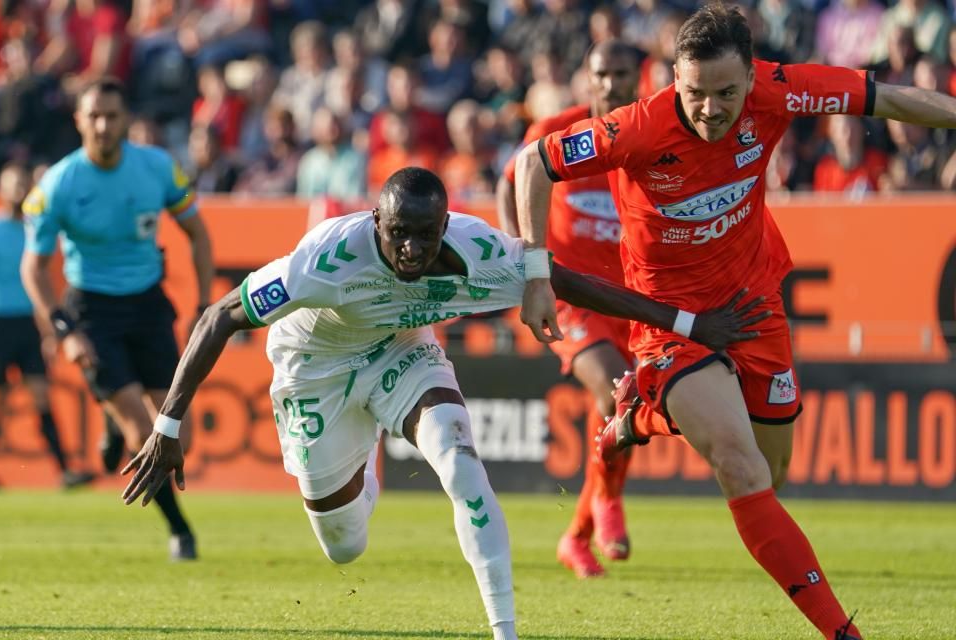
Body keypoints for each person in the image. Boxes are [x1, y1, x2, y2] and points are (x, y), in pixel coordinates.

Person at [118, 167, 767, 640]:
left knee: (461, 468)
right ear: (377, 221)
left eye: (424, 236)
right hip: (314, 366)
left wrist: (686, 325)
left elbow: (570, 281)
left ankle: (505, 630)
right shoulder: (326, 258)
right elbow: (218, 317)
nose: (410, 249)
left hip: (403, 353)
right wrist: (168, 425)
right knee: (343, 548)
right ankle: (363, 449)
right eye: (399, 233)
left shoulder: (475, 250)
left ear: (445, 225)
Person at [513, 5, 956, 638]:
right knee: (741, 469)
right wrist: (534, 272)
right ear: (674, 79)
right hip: (671, 325)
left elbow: (888, 99)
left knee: (773, 474)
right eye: (695, 93)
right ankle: (842, 632)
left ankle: (640, 416)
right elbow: (535, 161)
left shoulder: (782, 89)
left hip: (753, 308)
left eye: (726, 93)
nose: (710, 109)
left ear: (754, 78)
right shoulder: (637, 126)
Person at [20, 78, 215, 562]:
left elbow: (199, 234)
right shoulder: (59, 185)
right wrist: (64, 330)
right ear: (79, 121)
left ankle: (108, 427)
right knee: (141, 432)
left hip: (148, 305)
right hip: (92, 310)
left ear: (125, 119)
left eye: (112, 115)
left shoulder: (157, 168)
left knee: (178, 434)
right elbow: (33, 269)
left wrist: (203, 305)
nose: (104, 125)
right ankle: (180, 531)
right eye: (94, 116)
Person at [497, 39, 642, 579]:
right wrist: (520, 257)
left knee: (624, 415)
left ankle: (576, 535)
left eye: (620, 74)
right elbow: (508, 180)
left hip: (631, 300)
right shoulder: (559, 131)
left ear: (638, 75)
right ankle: (607, 504)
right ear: (588, 75)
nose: (609, 84)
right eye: (600, 73)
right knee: (615, 391)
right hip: (568, 294)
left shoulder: (651, 132)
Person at [0, 162, 96, 492]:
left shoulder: (36, 231)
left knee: (41, 397)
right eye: (13, 183)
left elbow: (43, 284)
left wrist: (50, 332)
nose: (20, 189)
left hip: (28, 324)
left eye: (23, 182)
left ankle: (64, 470)